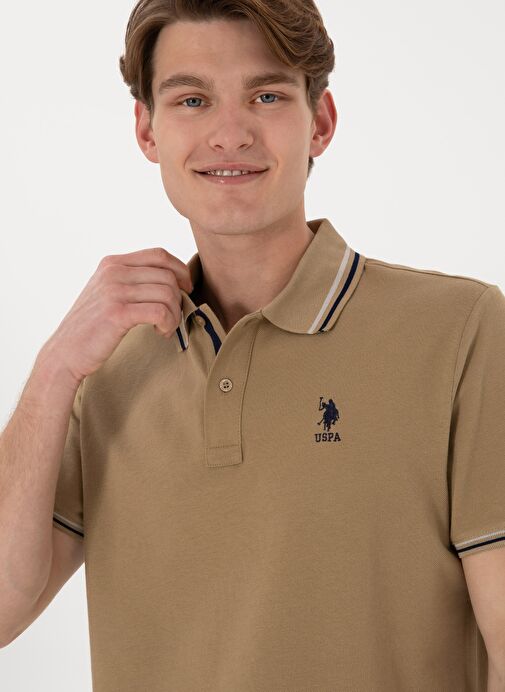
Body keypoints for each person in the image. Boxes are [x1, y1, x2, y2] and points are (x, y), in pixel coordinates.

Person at [1, 1, 504, 691]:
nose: (229, 134)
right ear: (147, 130)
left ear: (319, 123)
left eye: (265, 96)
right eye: (192, 100)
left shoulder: (460, 331)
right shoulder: (107, 366)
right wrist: (55, 367)